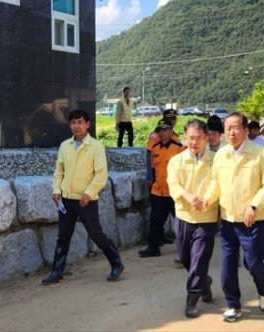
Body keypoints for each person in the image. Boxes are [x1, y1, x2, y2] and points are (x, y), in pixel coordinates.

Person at [200, 112, 264, 322]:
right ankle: (233, 305)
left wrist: (254, 205)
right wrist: (207, 200)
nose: (231, 132)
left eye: (235, 128)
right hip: (227, 220)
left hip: (252, 220)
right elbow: (215, 184)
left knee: (253, 263)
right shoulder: (221, 155)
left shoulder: (260, 154)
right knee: (227, 267)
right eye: (228, 128)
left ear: (244, 129)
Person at [42, 109, 124, 285]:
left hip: (86, 200)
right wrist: (56, 190)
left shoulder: (96, 147)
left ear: (88, 124)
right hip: (66, 200)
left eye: (80, 122)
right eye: (73, 122)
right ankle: (57, 271)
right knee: (63, 236)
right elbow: (59, 171)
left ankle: (116, 263)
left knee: (96, 233)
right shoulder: (65, 146)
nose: (76, 126)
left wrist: (89, 193)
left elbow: (101, 174)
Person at [168, 119, 218, 318]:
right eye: (190, 138)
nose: (194, 142)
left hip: (206, 217)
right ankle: (205, 282)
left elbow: (217, 184)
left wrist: (205, 200)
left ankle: (192, 298)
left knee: (198, 260)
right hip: (183, 215)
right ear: (184, 138)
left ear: (206, 138)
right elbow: (173, 184)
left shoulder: (216, 160)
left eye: (198, 138)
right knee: (185, 258)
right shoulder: (176, 161)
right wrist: (189, 197)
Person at [138, 119, 185, 257]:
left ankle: (186, 249)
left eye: (165, 130)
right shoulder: (155, 148)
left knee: (182, 221)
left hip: (174, 192)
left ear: (171, 131)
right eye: (160, 130)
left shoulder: (179, 149)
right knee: (156, 220)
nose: (162, 133)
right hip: (158, 191)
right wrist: (151, 182)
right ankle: (153, 247)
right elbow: (153, 169)